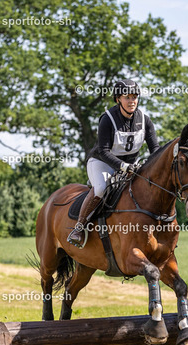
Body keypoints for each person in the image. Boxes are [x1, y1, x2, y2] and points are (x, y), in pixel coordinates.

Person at [67, 78, 160, 248]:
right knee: (101, 188)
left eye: (134, 97)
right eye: (127, 97)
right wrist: (123, 166)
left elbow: (155, 149)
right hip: (102, 162)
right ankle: (79, 228)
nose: (132, 101)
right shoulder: (107, 119)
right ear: (118, 99)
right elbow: (104, 151)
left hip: (131, 165)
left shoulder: (145, 120)